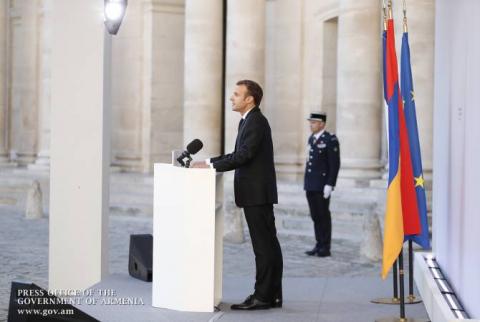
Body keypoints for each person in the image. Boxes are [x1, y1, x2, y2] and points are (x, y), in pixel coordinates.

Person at [192, 80, 283, 310]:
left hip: (256, 194)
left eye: (236, 94)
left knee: (263, 247)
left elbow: (244, 156)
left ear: (249, 99)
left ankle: (262, 296)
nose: (232, 98)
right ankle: (272, 294)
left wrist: (211, 167)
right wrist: (209, 162)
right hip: (257, 193)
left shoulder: (255, 121)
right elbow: (237, 153)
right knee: (269, 245)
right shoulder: (250, 120)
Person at [304, 112, 340, 257]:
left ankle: (325, 247)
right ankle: (318, 244)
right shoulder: (312, 139)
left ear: (322, 124)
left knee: (323, 216)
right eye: (310, 122)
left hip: (322, 185)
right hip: (311, 184)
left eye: (314, 122)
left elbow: (334, 164)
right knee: (315, 216)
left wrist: (330, 184)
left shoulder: (330, 139)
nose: (311, 125)